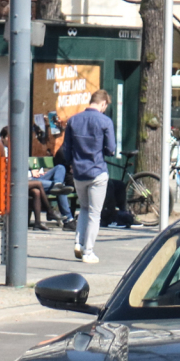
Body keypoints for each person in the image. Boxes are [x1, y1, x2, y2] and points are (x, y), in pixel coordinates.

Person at [64, 89, 117, 264]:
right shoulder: (105, 122)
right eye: (105, 107)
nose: (104, 109)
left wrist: (72, 163)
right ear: (103, 103)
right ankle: (88, 251)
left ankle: (78, 243)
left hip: (79, 172)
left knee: (84, 209)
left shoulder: (74, 120)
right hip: (97, 171)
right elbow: (110, 149)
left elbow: (66, 149)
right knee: (95, 213)